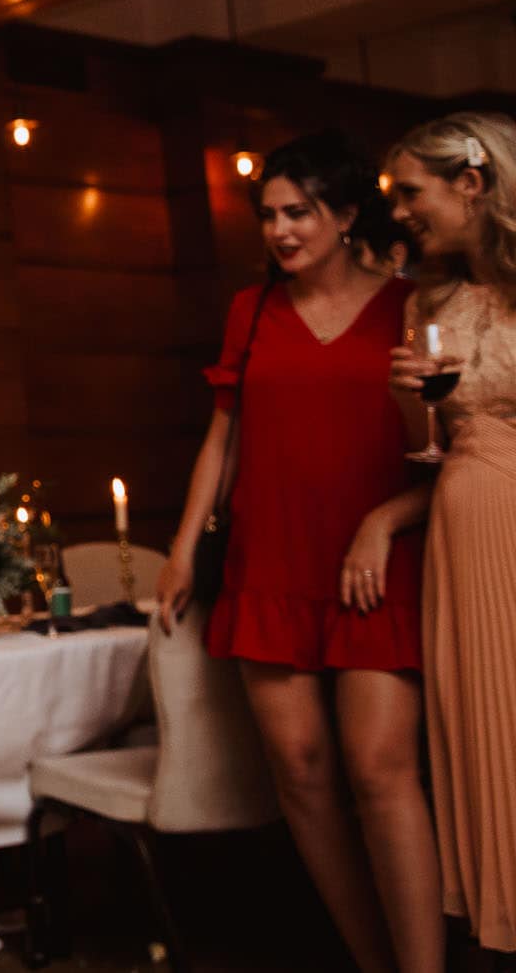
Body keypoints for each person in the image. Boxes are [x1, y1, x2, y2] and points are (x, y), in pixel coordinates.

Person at [157, 131, 439, 973]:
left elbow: (456, 452)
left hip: (376, 565)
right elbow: (224, 437)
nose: (280, 231)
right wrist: (179, 550)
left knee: (380, 772)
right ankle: (372, 962)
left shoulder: (410, 306)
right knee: (301, 773)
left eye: (299, 212)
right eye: (270, 215)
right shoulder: (251, 311)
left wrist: (387, 520)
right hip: (270, 558)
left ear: (347, 214)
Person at [386, 110, 516, 959]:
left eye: (410, 191)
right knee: (483, 735)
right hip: (465, 524)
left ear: (472, 183)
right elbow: (424, 446)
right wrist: (410, 396)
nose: (398, 210)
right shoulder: (426, 302)